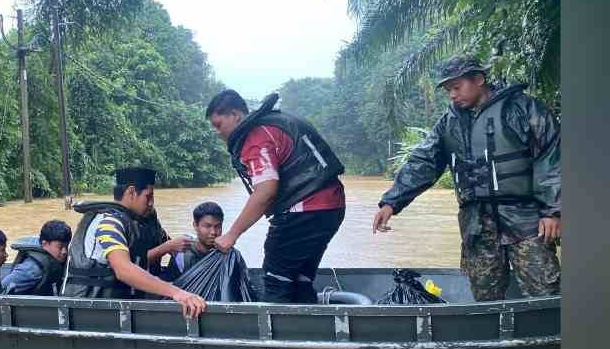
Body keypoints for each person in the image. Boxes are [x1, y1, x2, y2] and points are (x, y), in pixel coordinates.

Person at [373, 54, 561, 301]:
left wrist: (552, 211)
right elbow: (423, 162)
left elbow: (553, 156)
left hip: (526, 219)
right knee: (485, 295)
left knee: (544, 291)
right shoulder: (449, 122)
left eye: (456, 87)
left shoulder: (524, 109)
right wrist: (391, 202)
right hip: (477, 225)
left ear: (479, 80)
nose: (452, 95)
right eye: (449, 89)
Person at [206, 89, 346, 304]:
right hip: (331, 207)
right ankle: (308, 331)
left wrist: (231, 235)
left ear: (235, 115)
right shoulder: (276, 122)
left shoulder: (255, 137)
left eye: (218, 124)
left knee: (276, 279)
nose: (217, 132)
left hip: (303, 209)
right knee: (299, 279)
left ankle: (278, 335)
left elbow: (265, 192)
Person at [62, 167, 207, 318]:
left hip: (116, 307)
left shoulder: (137, 223)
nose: (151, 203)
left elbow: (169, 243)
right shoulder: (108, 223)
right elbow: (123, 269)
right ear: (131, 192)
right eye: (148, 196)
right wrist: (177, 293)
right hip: (87, 311)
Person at [1, 220, 72, 295]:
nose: (65, 251)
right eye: (60, 247)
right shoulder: (32, 269)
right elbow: (2, 290)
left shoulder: (54, 260)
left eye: (66, 246)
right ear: (45, 244)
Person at [166, 201, 228, 277]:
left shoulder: (227, 254)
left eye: (218, 226)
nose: (213, 232)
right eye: (207, 226)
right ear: (195, 225)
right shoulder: (182, 255)